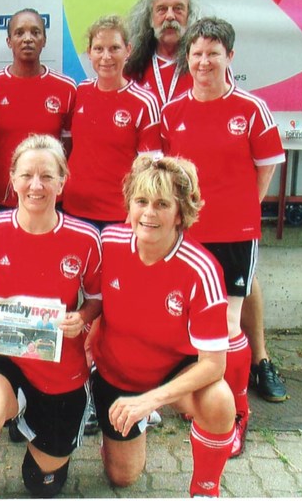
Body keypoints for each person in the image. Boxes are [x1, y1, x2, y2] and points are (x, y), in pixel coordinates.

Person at [161, 17, 286, 457]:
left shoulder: (251, 109)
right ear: (187, 59)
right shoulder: (172, 111)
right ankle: (199, 399)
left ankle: (235, 414)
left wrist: (244, 209)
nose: (204, 61)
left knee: (228, 325)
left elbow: (266, 164)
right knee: (188, 322)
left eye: (213, 53)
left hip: (235, 235)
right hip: (188, 238)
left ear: (229, 57)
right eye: (197, 54)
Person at [0, 134, 102, 499]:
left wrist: (81, 317)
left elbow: (97, 299)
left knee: (42, 485)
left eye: (47, 176)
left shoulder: (85, 238)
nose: (36, 185)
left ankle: (36, 440)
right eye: (27, 175)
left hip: (59, 368)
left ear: (62, 182)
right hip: (4, 356)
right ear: (12, 178)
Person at [93, 155, 235, 497]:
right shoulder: (107, 243)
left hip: (174, 371)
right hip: (118, 372)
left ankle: (205, 487)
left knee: (219, 402)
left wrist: (151, 401)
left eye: (162, 204)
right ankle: (125, 434)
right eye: (141, 201)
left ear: (181, 213)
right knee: (122, 477)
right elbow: (87, 302)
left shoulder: (201, 269)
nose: (149, 214)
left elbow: (214, 364)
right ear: (128, 205)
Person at [63, 15, 162, 228]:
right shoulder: (80, 92)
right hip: (73, 211)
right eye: (99, 49)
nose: (106, 57)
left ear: (128, 50)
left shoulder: (145, 102)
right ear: (89, 53)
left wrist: (136, 212)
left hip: (118, 215)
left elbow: (150, 168)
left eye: (114, 48)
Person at [0, 8, 77, 209]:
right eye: (19, 33)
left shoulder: (66, 88)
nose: (28, 39)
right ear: (9, 41)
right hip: (0, 201)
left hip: (48, 200)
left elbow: (68, 149)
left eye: (35, 32)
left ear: (44, 40)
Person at [124, 0, 199, 109]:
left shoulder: (206, 63)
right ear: (150, 18)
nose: (170, 16)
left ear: (190, 15)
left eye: (178, 8)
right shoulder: (130, 65)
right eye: (162, 9)